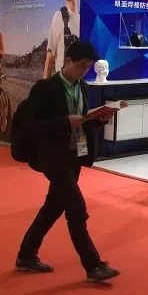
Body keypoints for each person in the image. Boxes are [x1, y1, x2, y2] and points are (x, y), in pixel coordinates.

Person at [17, 41, 120, 282]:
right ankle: (93, 265)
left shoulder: (82, 86)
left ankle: (26, 254)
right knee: (77, 209)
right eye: (81, 66)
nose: (84, 71)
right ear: (68, 61)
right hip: (53, 157)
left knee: (53, 207)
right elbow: (32, 126)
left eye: (88, 67)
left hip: (75, 155)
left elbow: (82, 121)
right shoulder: (45, 88)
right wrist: (65, 122)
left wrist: (99, 120)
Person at [44, 0, 80, 79]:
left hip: (79, 85)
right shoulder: (58, 17)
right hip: (61, 84)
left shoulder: (84, 20)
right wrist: (44, 86)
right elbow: (50, 55)